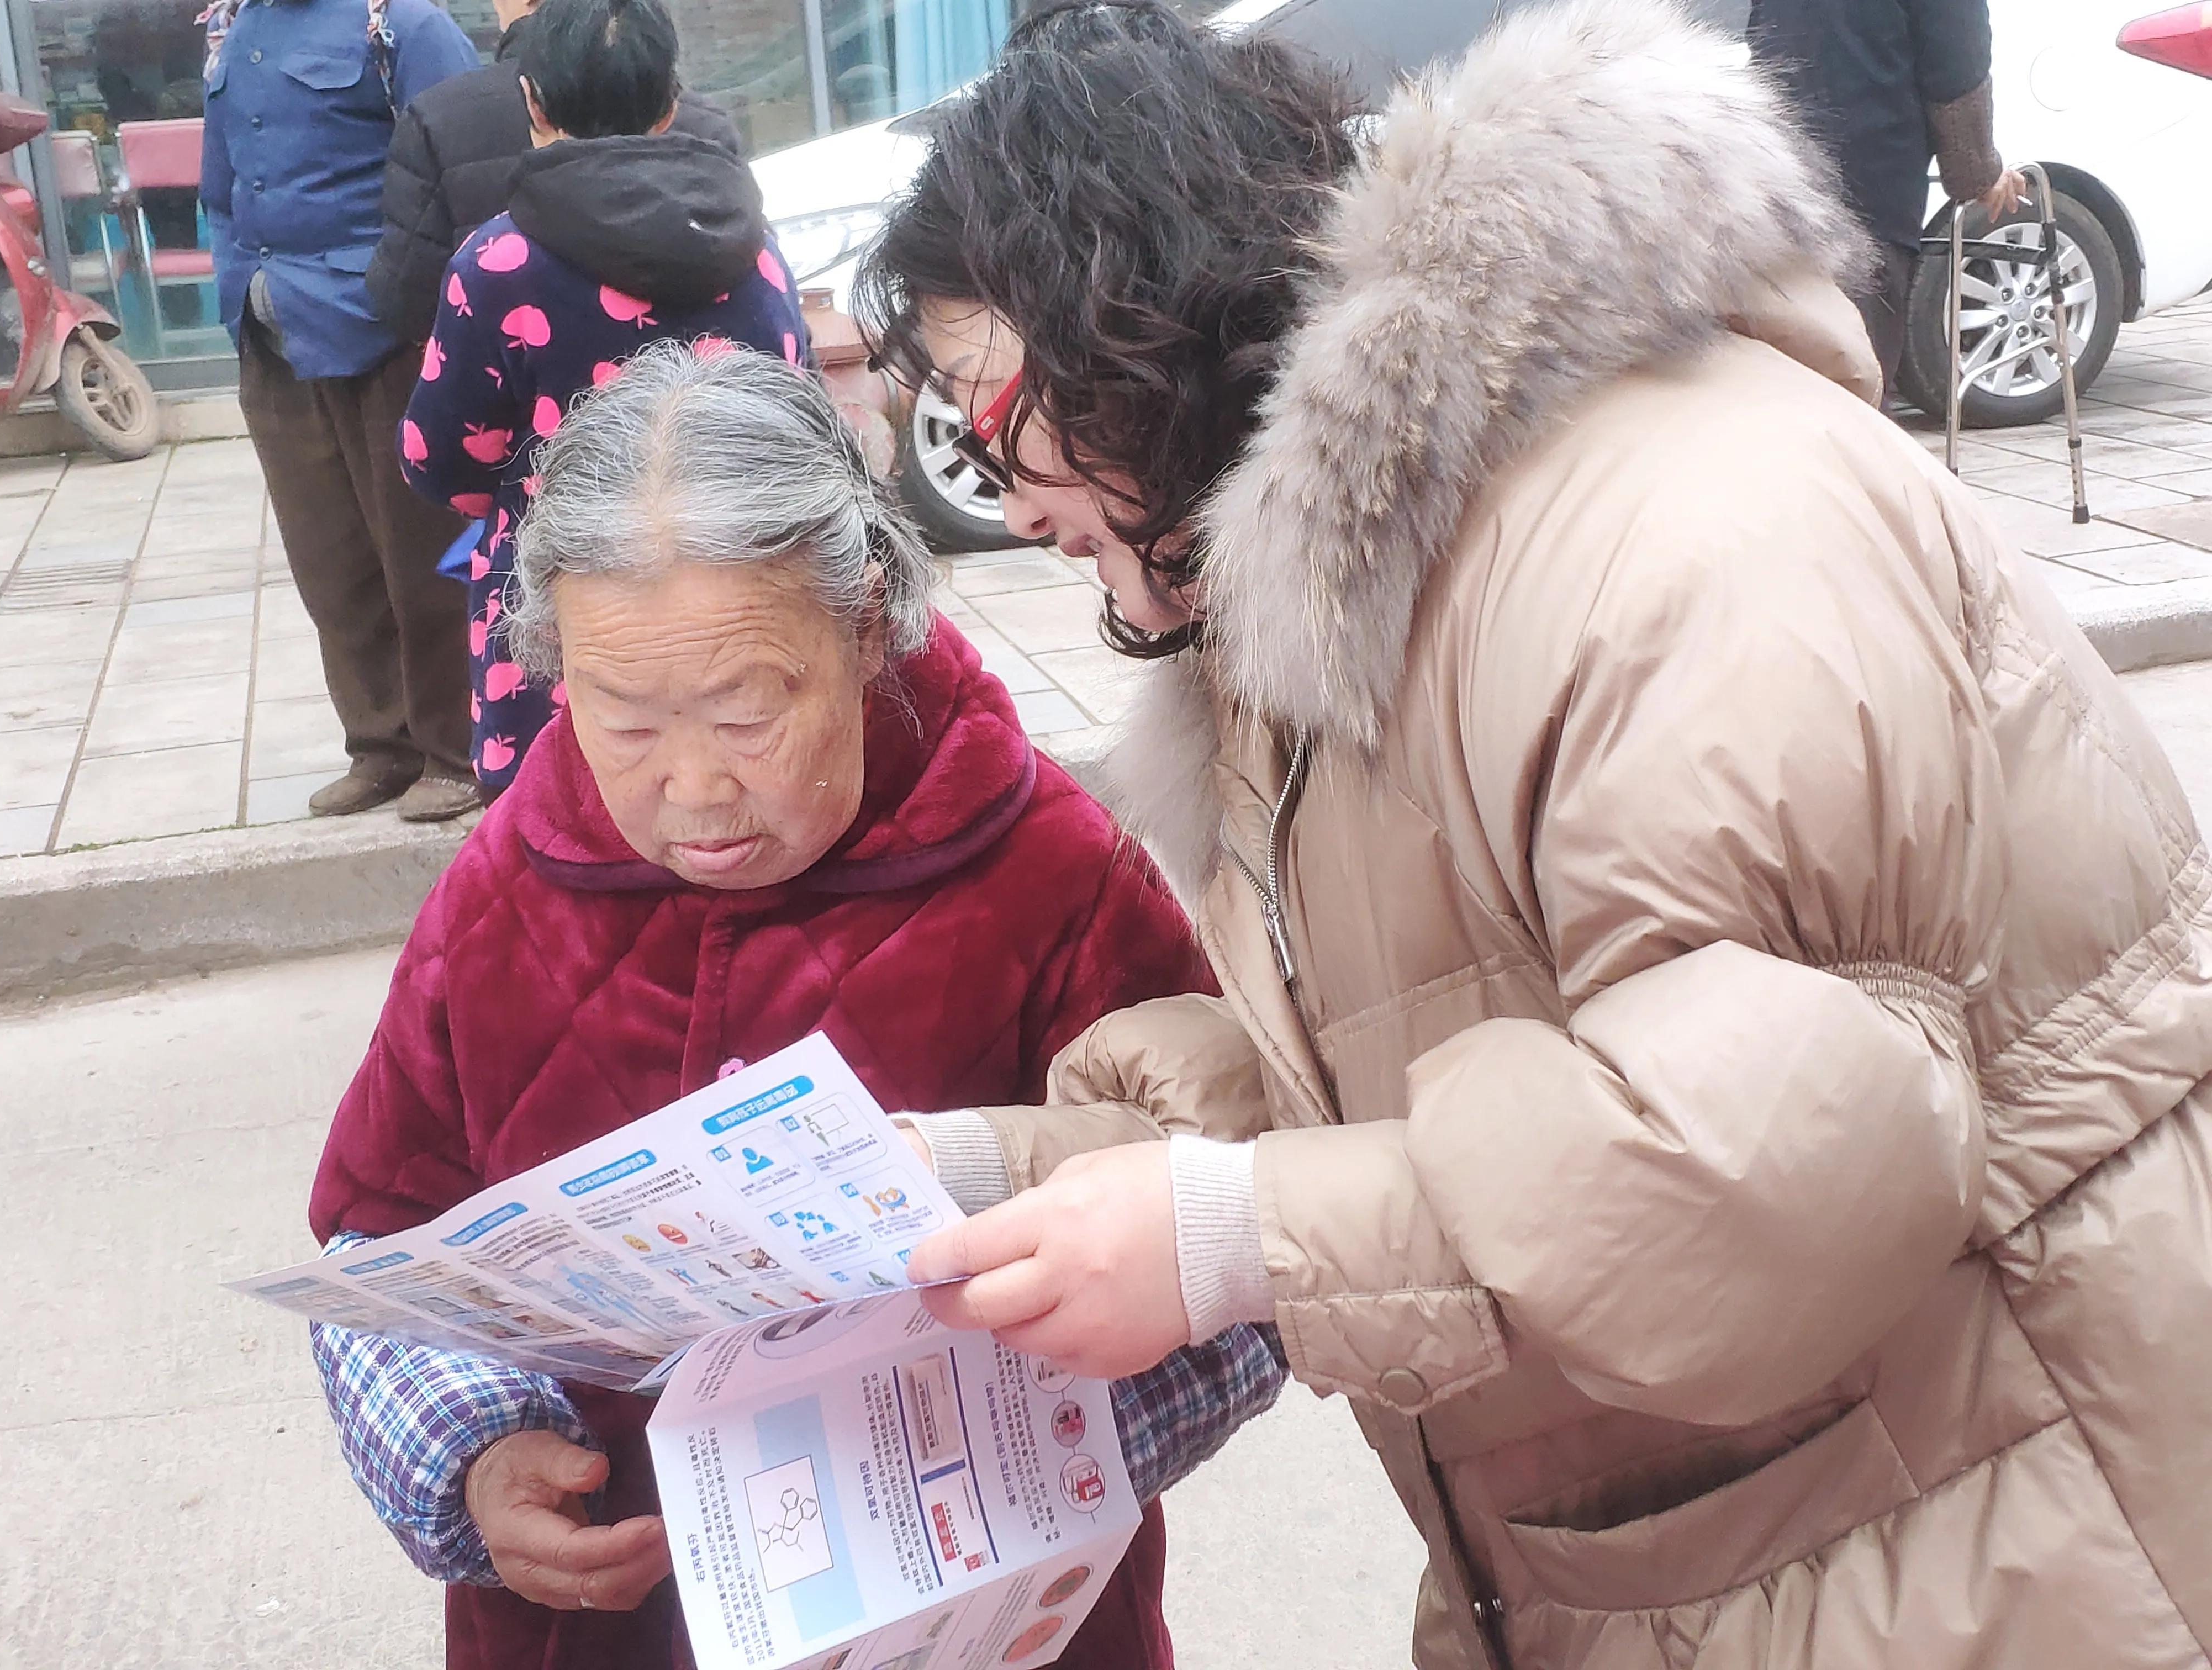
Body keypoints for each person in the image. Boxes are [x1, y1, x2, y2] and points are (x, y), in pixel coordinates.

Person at [857, 3, 2212, 1666]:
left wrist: (1227, 1241)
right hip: (1721, 1546)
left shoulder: (1672, 529)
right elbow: (1427, 1042)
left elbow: (1759, 1169)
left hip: (1997, 1524)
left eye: (1009, 425)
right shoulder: (1326, 579)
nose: (1010, 506)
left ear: (1138, 320)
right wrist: (1001, 1184)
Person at [309, 343, 1282, 1670]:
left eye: (748, 712)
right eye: (626, 719)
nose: (694, 793)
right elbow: (376, 1235)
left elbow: (1253, 1254)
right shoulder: (505, 891)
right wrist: (473, 1459)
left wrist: (1008, 1495)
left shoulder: (1049, 876)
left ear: (869, 619)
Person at [397, 0, 803, 798]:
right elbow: (803, 428)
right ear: (669, 104)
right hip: (745, 595)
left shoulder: (499, 260)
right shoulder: (753, 248)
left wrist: (534, 497)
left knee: (565, 831)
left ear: (533, 105)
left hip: (563, 608)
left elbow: (437, 457)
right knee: (738, 815)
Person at [201, 0, 484, 821]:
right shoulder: (232, 29)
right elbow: (221, 190)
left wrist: (411, 300)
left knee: (422, 556)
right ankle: (379, 745)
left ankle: (455, 749)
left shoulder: (402, 26)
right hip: (273, 327)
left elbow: (462, 172)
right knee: (330, 563)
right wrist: (235, 297)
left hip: (384, 332)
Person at [364, 0, 763, 347]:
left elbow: (406, 299)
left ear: (534, 108)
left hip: (536, 429)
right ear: (669, 115)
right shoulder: (712, 137)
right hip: (696, 423)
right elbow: (785, 362)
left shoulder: (487, 254)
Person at [1748, 0, 2025, 399]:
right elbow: (1957, 69)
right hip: (1869, 185)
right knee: (1858, 372)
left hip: (1775, 179)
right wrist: (1979, 176)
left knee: (1792, 377)